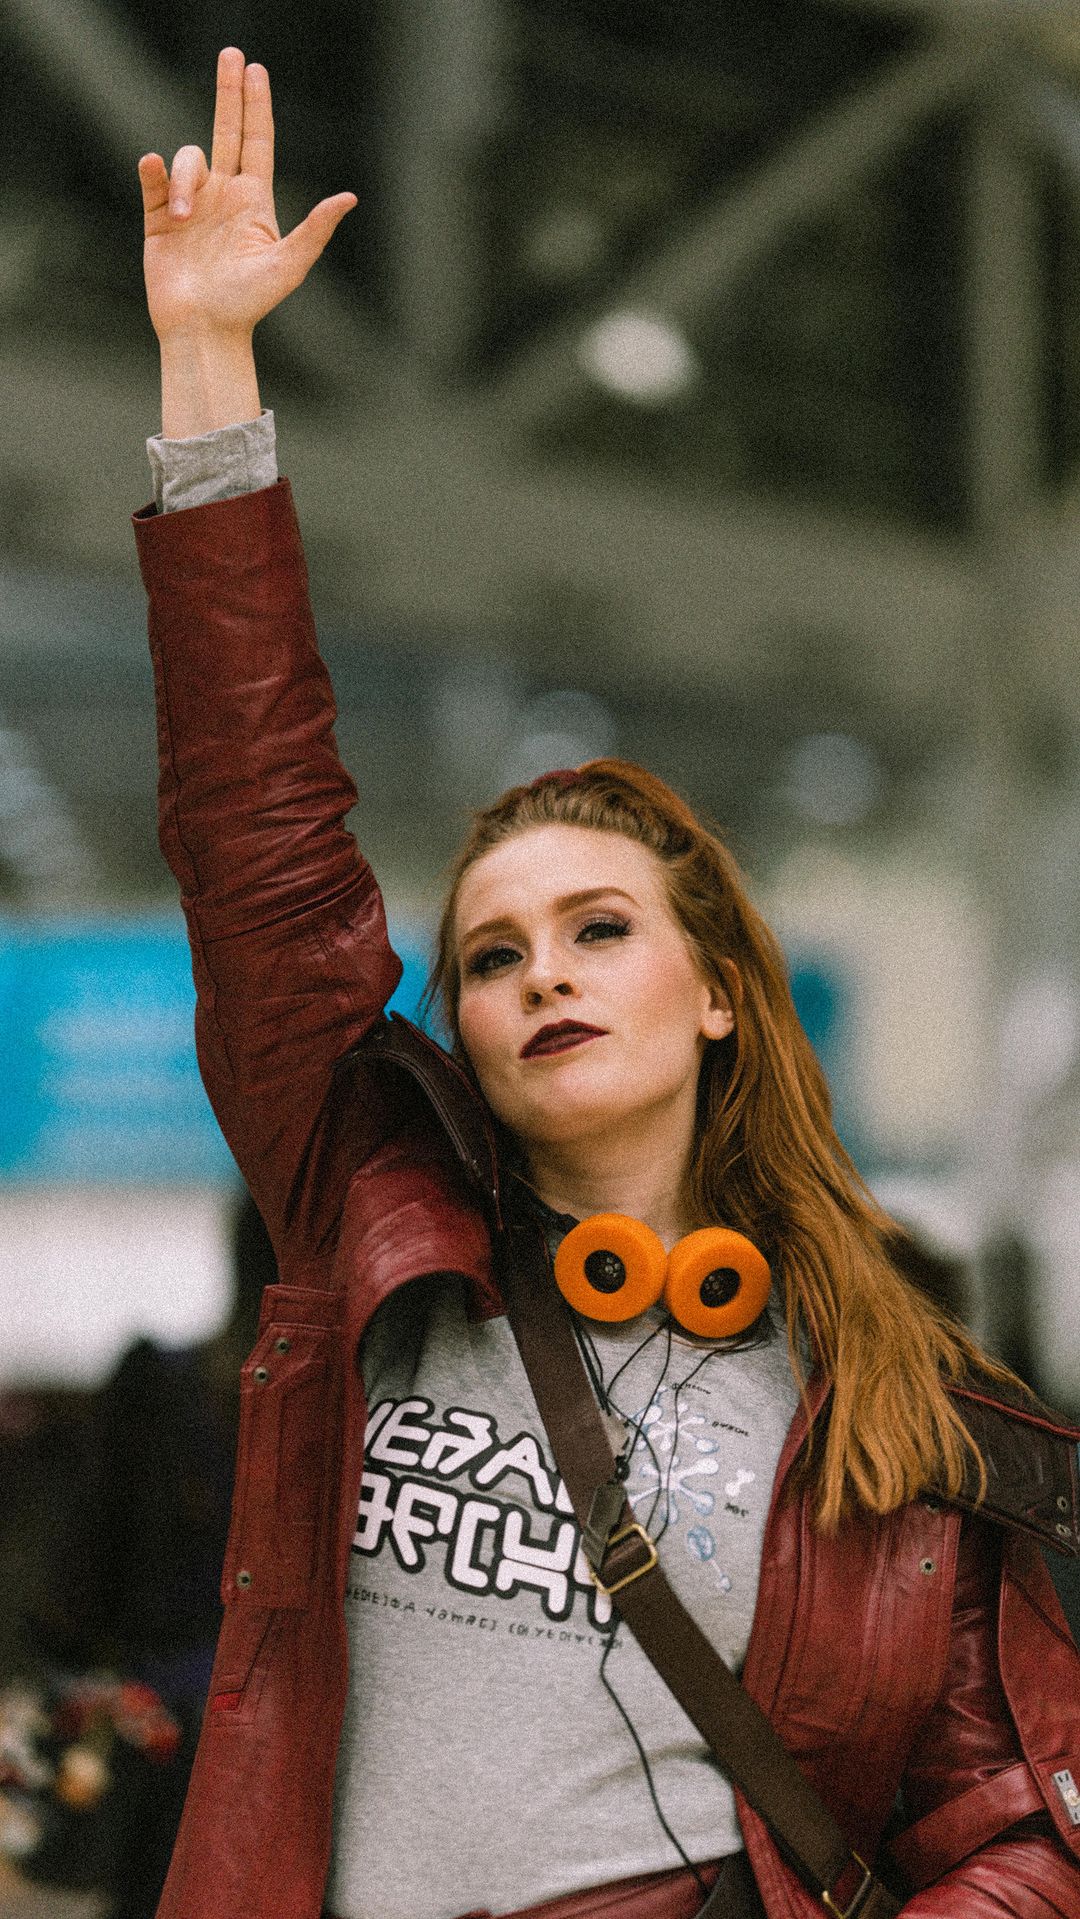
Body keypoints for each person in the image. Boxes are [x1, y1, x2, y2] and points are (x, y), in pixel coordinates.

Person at [131, 47, 1080, 1919]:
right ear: (465, 1029)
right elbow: (258, 844)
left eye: (599, 930)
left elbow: (1007, 1829)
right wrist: (212, 376)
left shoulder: (895, 1402)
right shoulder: (371, 1221)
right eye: (493, 955)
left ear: (719, 993)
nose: (542, 977)